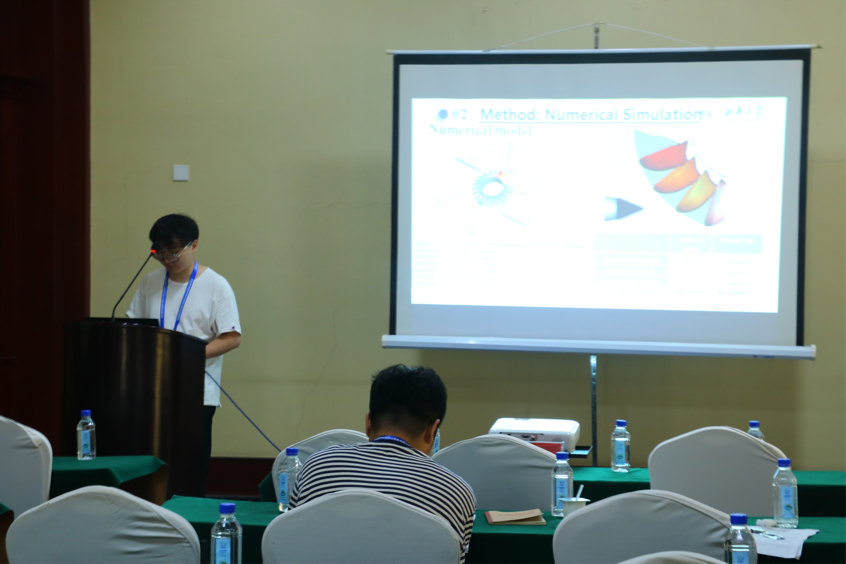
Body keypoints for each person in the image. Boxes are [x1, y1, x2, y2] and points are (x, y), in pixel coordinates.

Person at [291, 364, 476, 562]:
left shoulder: (315, 467)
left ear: (368, 422)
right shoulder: (456, 492)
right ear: (432, 430)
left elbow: (290, 540)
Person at [126, 214, 241, 494]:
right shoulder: (150, 282)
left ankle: (190, 517)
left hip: (196, 393)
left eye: (174, 253)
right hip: (150, 391)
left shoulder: (216, 286)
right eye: (160, 254)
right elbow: (131, 327)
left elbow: (232, 338)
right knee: (149, 464)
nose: (167, 260)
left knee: (189, 468)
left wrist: (184, 356)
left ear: (194, 245)